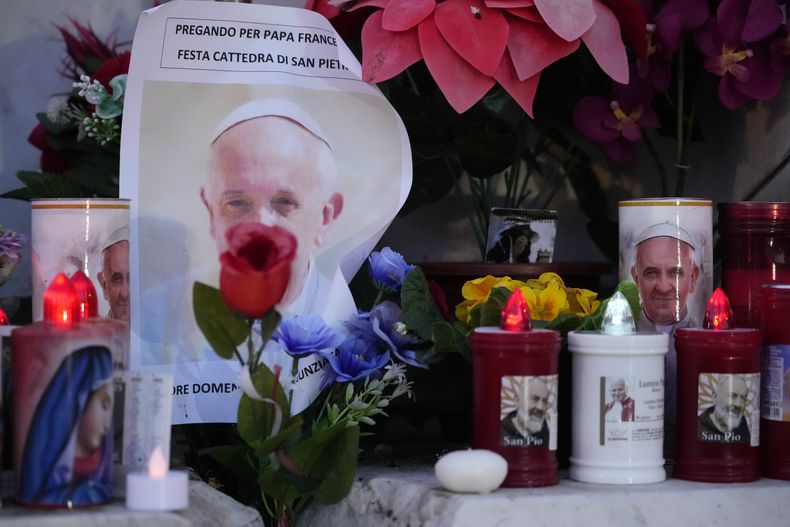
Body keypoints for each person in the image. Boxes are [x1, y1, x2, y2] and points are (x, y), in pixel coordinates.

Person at [200, 99, 344, 311]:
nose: (261, 228)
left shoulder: (350, 317)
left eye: (284, 202)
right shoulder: (161, 310)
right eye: (237, 203)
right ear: (212, 214)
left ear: (325, 219)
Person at [18, 346, 114, 505]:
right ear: (80, 400)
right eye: (104, 405)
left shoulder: (102, 477)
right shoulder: (47, 478)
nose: (108, 423)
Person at [630, 223, 700, 332]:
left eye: (675, 273)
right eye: (651, 273)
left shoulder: (701, 328)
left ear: (692, 279)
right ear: (637, 280)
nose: (663, 288)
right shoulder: (626, 330)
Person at [698, 375, 751, 442]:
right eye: (732, 396)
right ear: (715, 397)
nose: (738, 404)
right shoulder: (698, 428)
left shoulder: (743, 427)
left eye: (743, 398)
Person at [501, 377, 551, 447]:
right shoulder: (501, 431)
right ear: (517, 400)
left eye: (544, 401)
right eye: (534, 399)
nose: (540, 407)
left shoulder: (546, 433)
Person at [97, 227, 130, 322]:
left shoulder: (160, 334)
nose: (125, 294)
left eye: (132, 279)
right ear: (104, 287)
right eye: (117, 279)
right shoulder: (95, 336)